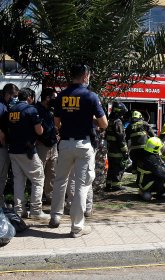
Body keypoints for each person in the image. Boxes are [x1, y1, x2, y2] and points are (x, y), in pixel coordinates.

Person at [49, 64, 108, 238]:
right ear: (84, 76)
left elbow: (57, 123)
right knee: (82, 186)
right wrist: (91, 120)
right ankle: (76, 228)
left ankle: (55, 217)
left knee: (60, 181)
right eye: (89, 75)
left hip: (65, 144)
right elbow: (104, 124)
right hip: (83, 145)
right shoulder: (91, 96)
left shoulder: (62, 95)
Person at [8, 88, 48, 219]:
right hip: (27, 151)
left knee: (18, 180)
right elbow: (39, 131)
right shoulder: (31, 110)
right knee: (38, 178)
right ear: (30, 97)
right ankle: (36, 210)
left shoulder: (12, 110)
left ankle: (19, 211)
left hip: (13, 150)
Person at [35, 88, 58, 204]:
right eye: (53, 97)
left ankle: (50, 197)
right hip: (42, 146)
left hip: (53, 146)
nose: (55, 100)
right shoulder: (37, 109)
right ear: (47, 98)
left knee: (52, 173)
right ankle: (37, 200)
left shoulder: (51, 110)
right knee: (39, 173)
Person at [0, 83, 19, 207]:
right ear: (8, 94)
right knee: (2, 175)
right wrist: (3, 144)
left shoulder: (4, 104)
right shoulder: (1, 106)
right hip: (1, 147)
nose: (16, 98)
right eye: (15, 96)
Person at [105, 101, 129, 192]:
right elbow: (121, 138)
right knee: (118, 167)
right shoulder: (118, 122)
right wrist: (125, 151)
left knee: (111, 167)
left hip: (110, 148)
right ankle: (116, 185)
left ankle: (109, 184)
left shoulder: (110, 120)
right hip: (117, 150)